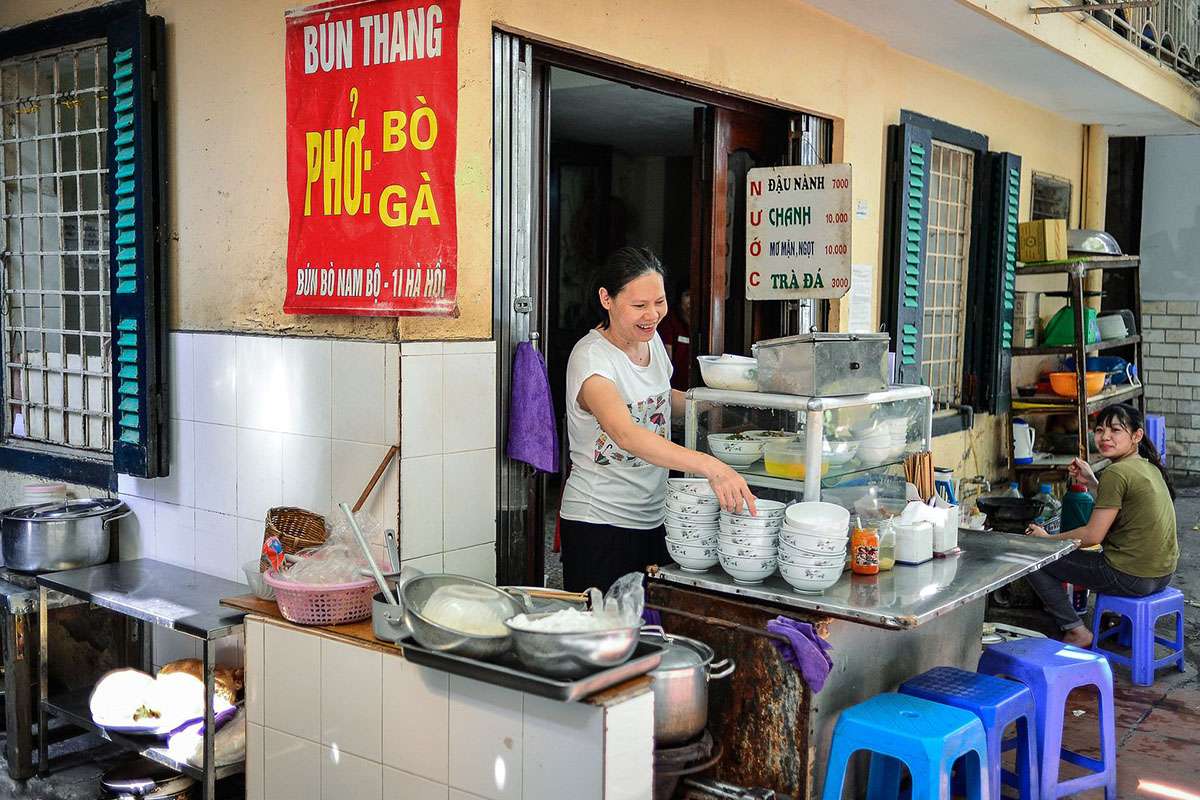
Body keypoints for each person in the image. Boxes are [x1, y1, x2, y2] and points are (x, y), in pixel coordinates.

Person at [559, 246, 757, 593]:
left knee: (649, 632)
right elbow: (626, 433)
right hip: (600, 523)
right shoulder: (592, 359)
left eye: (659, 302)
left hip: (656, 518)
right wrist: (711, 466)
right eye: (639, 306)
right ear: (606, 298)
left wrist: (723, 404)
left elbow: (663, 401)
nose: (652, 314)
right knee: (603, 636)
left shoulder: (651, 346)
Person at [1025, 404, 1178, 648]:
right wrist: (1093, 482)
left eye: (1115, 430)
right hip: (1162, 574)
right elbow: (1124, 503)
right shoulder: (1148, 467)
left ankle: (1076, 630)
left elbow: (1092, 535)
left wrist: (1045, 540)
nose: (1105, 437)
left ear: (1136, 436)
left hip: (1131, 576)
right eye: (1099, 430)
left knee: (1032, 561)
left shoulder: (1116, 473)